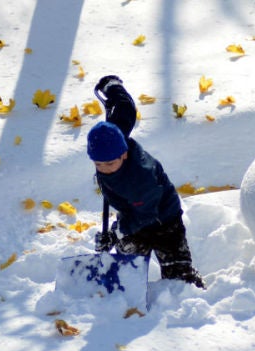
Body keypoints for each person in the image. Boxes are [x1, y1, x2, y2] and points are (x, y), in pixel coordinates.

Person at [87, 75, 205, 289]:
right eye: (98, 164)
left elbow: (145, 214)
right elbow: (125, 110)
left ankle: (190, 288)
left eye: (109, 164)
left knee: (178, 278)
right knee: (126, 273)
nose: (104, 169)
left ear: (123, 154)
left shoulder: (140, 178)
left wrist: (115, 233)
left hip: (163, 219)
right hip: (134, 215)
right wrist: (113, 87)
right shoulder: (113, 137)